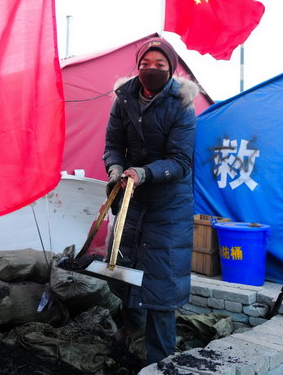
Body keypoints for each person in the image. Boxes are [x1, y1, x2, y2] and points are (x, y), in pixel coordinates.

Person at [102, 36, 199, 365]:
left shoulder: (181, 104)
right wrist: (114, 167)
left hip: (168, 203)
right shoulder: (124, 98)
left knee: (160, 283)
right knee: (125, 267)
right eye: (146, 64)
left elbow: (181, 161)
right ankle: (128, 333)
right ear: (138, 66)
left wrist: (144, 173)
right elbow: (114, 143)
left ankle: (162, 360)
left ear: (171, 69)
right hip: (131, 197)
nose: (151, 70)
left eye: (159, 65)